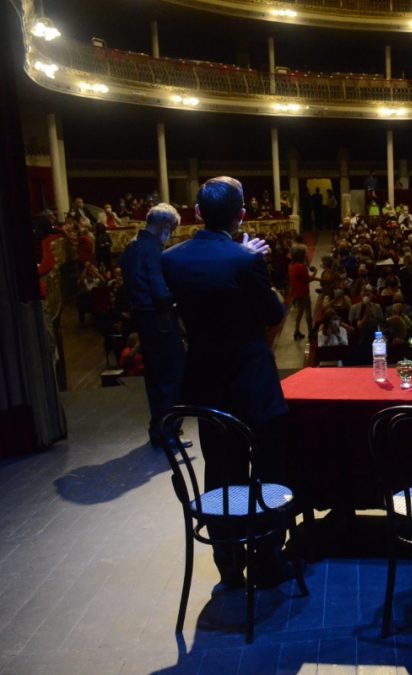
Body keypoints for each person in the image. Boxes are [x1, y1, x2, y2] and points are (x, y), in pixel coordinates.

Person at [161, 176, 296, 589]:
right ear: (241, 215)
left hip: (207, 382)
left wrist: (240, 256)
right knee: (270, 469)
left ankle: (228, 563)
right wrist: (247, 259)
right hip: (252, 383)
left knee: (220, 470)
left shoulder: (171, 259)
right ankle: (269, 560)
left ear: (197, 213)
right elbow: (273, 313)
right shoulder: (245, 260)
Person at [118, 203, 186, 450]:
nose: (172, 235)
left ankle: (158, 431)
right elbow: (160, 293)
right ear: (165, 225)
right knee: (172, 376)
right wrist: (181, 294)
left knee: (155, 378)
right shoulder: (154, 251)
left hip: (143, 320)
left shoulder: (131, 247)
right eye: (173, 229)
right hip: (161, 320)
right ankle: (170, 432)